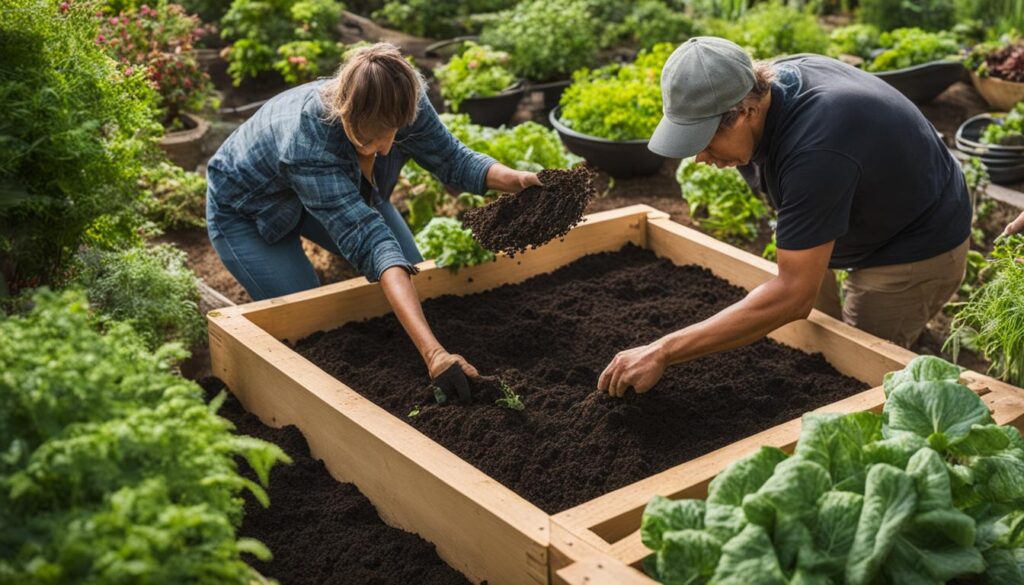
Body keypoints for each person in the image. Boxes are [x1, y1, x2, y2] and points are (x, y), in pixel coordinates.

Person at [599, 37, 972, 397]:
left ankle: (916, 351)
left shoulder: (817, 148)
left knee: (860, 369)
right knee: (818, 335)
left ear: (746, 111)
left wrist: (664, 349)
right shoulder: (766, 88)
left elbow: (793, 296)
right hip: (865, 206)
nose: (700, 157)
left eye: (706, 140)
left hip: (915, 241)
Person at [206, 43, 540, 395]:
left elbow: (453, 159)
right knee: (313, 324)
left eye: (391, 134)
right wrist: (434, 354)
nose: (384, 149)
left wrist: (517, 180)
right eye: (370, 138)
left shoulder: (403, 96)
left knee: (411, 270)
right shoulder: (308, 141)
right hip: (247, 208)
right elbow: (371, 240)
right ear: (347, 112)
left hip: (331, 185)